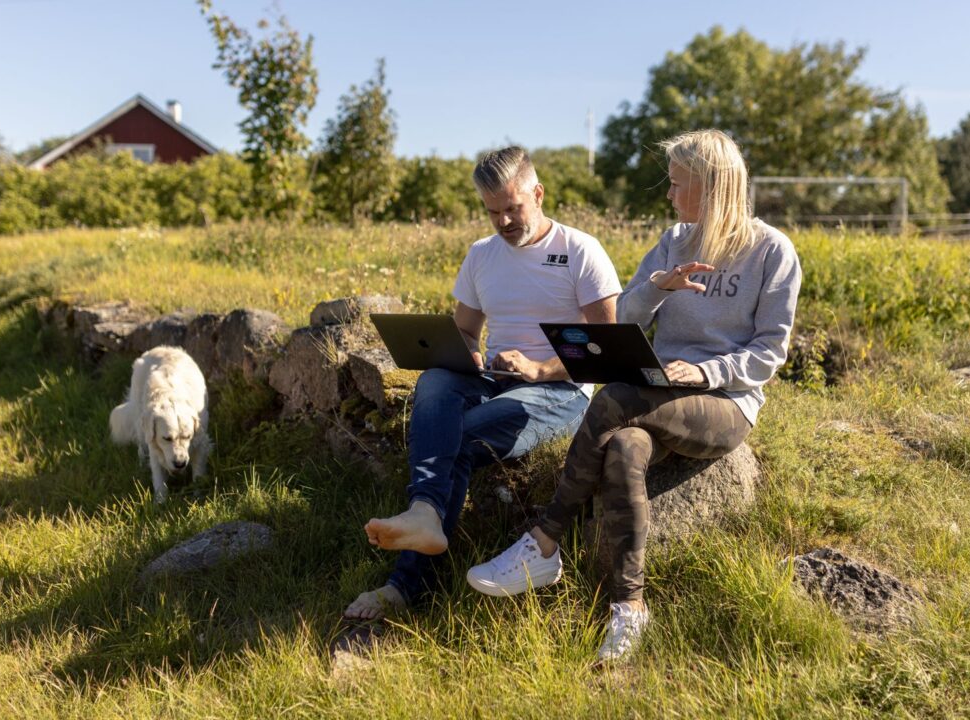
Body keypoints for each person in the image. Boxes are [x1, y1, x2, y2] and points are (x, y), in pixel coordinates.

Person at [465, 129, 802, 663]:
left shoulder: (771, 251)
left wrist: (705, 372)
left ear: (710, 187)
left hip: (727, 402)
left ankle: (545, 539)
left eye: (676, 184)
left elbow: (769, 353)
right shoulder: (674, 240)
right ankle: (630, 609)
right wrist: (659, 288)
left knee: (617, 396)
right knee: (623, 449)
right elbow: (622, 318)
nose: (669, 195)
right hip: (659, 390)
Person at [344, 146, 622, 620]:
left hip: (559, 391)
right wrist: (469, 352)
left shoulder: (580, 250)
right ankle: (425, 515)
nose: (503, 222)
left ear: (537, 194)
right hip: (494, 379)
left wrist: (538, 369)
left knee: (464, 435)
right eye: (493, 212)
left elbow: (606, 352)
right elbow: (467, 329)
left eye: (512, 209)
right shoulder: (481, 256)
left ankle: (406, 586)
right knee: (434, 380)